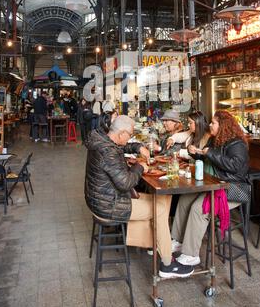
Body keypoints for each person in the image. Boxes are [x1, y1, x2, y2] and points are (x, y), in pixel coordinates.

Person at [85, 115, 194, 278]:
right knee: (160, 209)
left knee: (164, 200)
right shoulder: (107, 151)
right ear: (121, 133)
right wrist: (140, 167)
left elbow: (120, 148)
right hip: (109, 204)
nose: (130, 138)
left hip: (102, 198)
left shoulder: (103, 141)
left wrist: (138, 147)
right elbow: (126, 183)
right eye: (129, 135)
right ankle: (167, 264)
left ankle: (157, 242)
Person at [171, 110, 250, 267]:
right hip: (216, 184)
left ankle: (191, 254)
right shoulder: (216, 140)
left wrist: (210, 153)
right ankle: (178, 240)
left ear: (223, 125)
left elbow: (235, 166)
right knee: (185, 199)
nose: (210, 125)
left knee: (198, 208)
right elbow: (208, 157)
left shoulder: (237, 144)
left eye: (213, 122)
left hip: (233, 188)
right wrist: (196, 154)